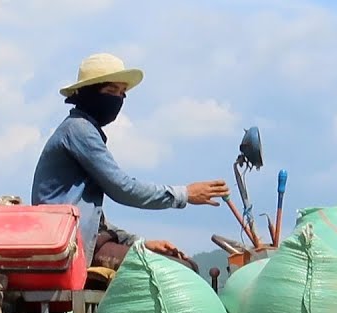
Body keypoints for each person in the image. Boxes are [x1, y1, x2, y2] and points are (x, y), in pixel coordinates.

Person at [31, 52, 229, 273]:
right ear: (88, 92)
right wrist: (185, 194)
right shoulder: (79, 129)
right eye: (111, 91)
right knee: (178, 269)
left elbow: (95, 222)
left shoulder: (84, 130)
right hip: (69, 245)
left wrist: (140, 243)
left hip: (87, 240)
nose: (118, 99)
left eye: (122, 93)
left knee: (183, 264)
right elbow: (122, 188)